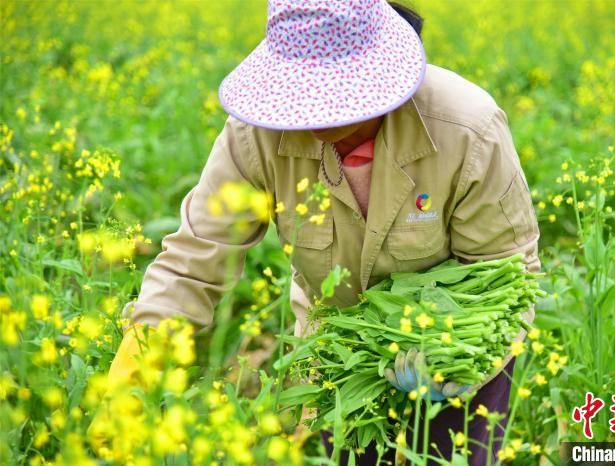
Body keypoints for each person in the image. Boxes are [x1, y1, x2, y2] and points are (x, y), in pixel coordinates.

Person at [98, 1, 541, 464]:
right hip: (338, 362)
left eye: (334, 96)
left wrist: (461, 359)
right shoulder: (257, 134)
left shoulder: (467, 128)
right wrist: (138, 365)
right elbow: (196, 258)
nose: (315, 117)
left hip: (455, 351)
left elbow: (508, 269)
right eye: (302, 94)